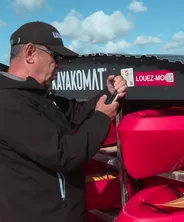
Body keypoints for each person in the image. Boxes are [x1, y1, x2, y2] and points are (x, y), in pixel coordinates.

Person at [0, 21, 128, 222]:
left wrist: (107, 94)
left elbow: (76, 112)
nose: (58, 65)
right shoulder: (8, 104)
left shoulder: (38, 95)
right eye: (55, 56)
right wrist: (103, 118)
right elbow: (64, 155)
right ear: (30, 52)